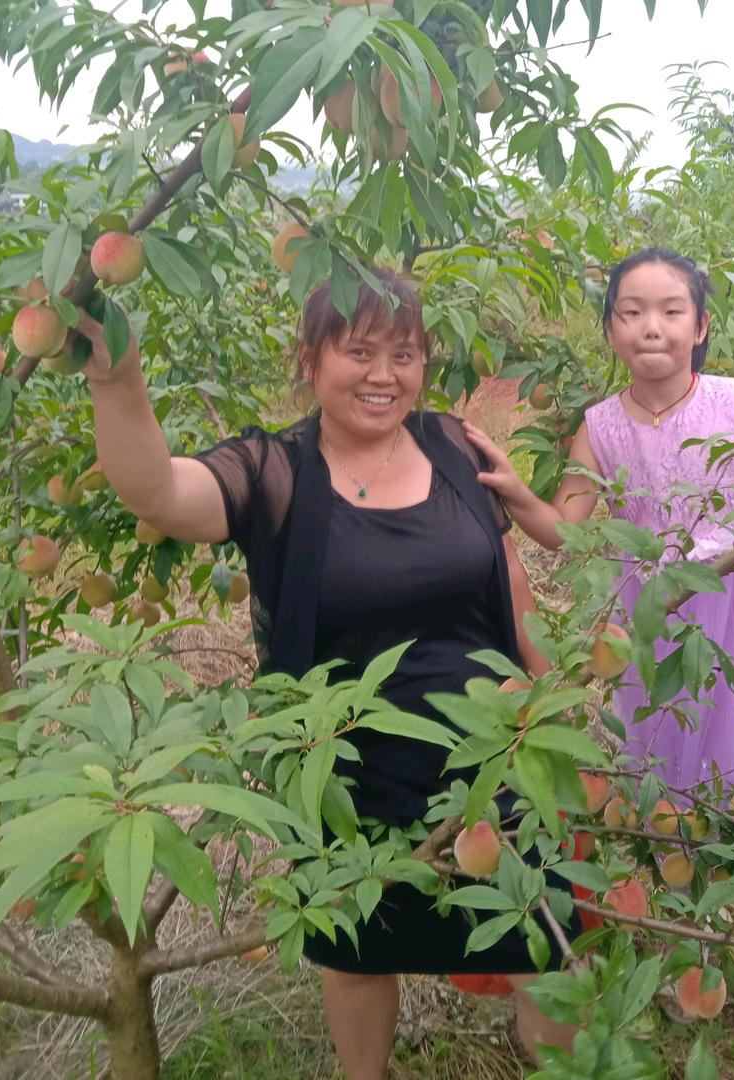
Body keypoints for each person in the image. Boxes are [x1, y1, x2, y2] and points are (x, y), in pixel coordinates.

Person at [74, 269, 576, 1080]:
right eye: (360, 351)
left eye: (404, 354)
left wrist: (557, 704)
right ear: (310, 358)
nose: (385, 375)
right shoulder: (276, 472)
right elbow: (160, 493)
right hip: (345, 775)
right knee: (358, 955)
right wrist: (116, 374)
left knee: (541, 952)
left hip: (497, 763)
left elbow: (509, 580)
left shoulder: (452, 444)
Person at [465, 247, 734, 805]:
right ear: (610, 331)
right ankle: (678, 818)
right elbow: (564, 527)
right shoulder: (600, 428)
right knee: (669, 720)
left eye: (671, 311)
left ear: (700, 326)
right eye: (631, 312)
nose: (651, 327)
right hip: (657, 605)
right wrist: (515, 491)